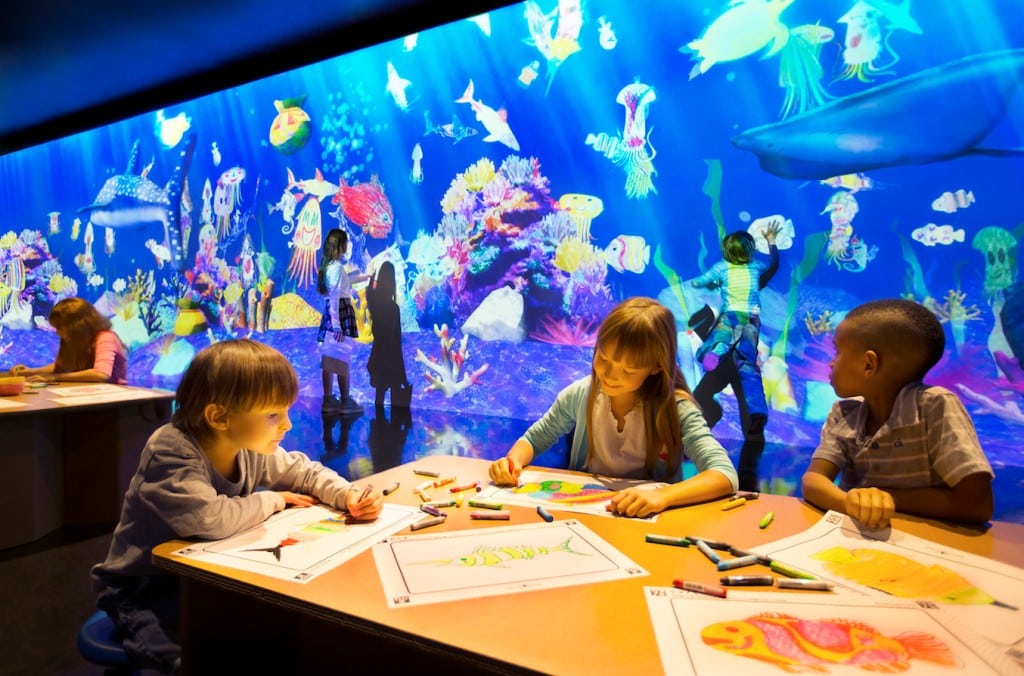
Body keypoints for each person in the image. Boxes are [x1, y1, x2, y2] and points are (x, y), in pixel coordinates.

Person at [90, 339, 382, 674]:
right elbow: (210, 520)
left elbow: (303, 470)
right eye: (273, 414)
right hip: (143, 585)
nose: (286, 425)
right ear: (218, 417)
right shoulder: (171, 449)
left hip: (206, 576)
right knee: (183, 659)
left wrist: (347, 495)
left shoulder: (247, 445)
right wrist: (273, 499)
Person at [489, 297, 737, 518]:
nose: (608, 374)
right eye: (603, 358)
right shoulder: (581, 393)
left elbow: (724, 475)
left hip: (646, 525)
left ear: (655, 367)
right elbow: (534, 439)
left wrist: (663, 496)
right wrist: (511, 463)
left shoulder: (675, 409)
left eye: (628, 370)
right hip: (584, 516)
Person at [801, 299, 994, 529]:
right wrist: (850, 503)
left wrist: (886, 499)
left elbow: (977, 503)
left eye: (838, 351)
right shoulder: (844, 413)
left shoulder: (933, 407)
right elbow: (813, 480)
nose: (832, 363)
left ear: (868, 365)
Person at [690, 221, 781, 491]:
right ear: (750, 251)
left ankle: (713, 354)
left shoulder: (722, 268)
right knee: (748, 367)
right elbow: (773, 265)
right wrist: (772, 241)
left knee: (718, 340)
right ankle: (757, 412)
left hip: (730, 318)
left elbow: (700, 281)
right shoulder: (755, 269)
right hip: (751, 321)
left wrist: (708, 284)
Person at [9, 296, 128, 384]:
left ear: (77, 326)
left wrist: (55, 377)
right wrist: (31, 371)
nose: (58, 332)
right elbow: (62, 366)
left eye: (60, 327)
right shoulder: (75, 339)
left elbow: (101, 374)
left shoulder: (105, 337)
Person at [317, 228, 364, 414]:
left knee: (329, 357)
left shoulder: (330, 267)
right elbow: (336, 296)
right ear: (341, 246)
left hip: (332, 313)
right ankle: (345, 401)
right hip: (339, 314)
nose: (348, 245)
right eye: (346, 242)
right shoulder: (336, 268)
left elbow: (338, 289)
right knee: (341, 356)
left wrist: (363, 277)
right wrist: (337, 325)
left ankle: (328, 400)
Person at [366, 260, 411, 407]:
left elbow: (369, 292)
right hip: (391, 359)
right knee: (395, 400)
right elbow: (396, 342)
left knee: (379, 397)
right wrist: (403, 377)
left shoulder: (374, 303)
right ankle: (392, 429)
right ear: (393, 282)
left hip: (378, 355)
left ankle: (378, 427)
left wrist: (372, 277)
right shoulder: (394, 309)